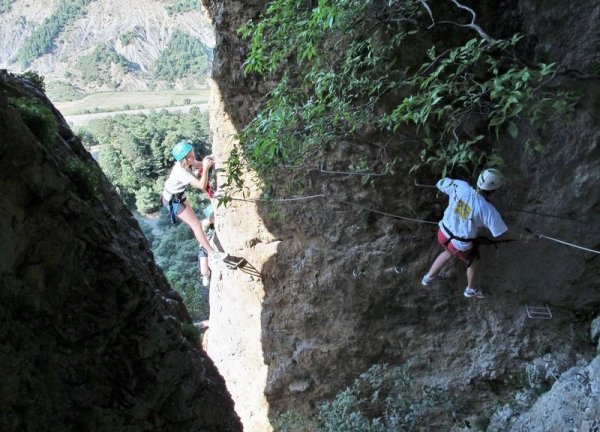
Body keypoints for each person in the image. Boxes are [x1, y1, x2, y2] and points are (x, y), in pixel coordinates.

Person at [421, 168, 524, 298]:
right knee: (474, 261)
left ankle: (428, 278)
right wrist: (523, 237)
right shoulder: (487, 210)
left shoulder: (460, 186)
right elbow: (502, 232)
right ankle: (470, 289)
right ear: (493, 190)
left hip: (443, 234)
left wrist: (453, 193)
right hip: (459, 244)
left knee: (448, 252)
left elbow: (441, 183)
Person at [162, 140, 224, 262]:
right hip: (172, 200)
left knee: (197, 223)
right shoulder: (181, 172)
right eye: (191, 153)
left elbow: (200, 164)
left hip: (177, 195)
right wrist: (205, 168)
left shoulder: (187, 162)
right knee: (196, 225)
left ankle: (208, 244)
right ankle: (212, 254)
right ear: (186, 158)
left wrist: (211, 160)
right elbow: (201, 185)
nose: (193, 154)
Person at [198, 205, 215, 287]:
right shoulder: (205, 223)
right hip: (204, 248)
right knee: (204, 271)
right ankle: (205, 275)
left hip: (211, 246)